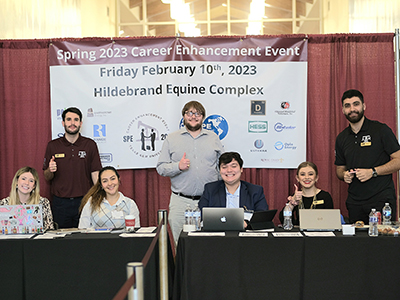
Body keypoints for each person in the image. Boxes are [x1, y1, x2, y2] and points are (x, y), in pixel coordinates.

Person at [156, 100, 224, 244]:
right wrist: (177, 167)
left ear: (203, 117)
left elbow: (222, 167)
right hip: (181, 202)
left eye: (197, 113)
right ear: (184, 116)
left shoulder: (213, 138)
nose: (194, 116)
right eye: (190, 113)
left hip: (210, 201)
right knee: (180, 244)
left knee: (210, 245)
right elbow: (161, 167)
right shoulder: (172, 138)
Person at [335, 89, 400, 224]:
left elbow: (398, 160)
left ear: (364, 106)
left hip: (381, 199)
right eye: (347, 106)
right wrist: (344, 175)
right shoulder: (341, 138)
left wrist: (373, 172)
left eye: (356, 104)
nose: (352, 109)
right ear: (343, 110)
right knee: (358, 245)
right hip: (355, 202)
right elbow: (339, 170)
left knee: (383, 243)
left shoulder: (381, 130)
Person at [43, 107, 102, 228]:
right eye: (69, 119)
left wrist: (99, 197)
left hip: (85, 201)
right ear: (63, 123)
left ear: (80, 123)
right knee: (61, 242)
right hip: (60, 203)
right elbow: (47, 176)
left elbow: (95, 173)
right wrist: (50, 170)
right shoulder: (53, 146)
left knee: (84, 240)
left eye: (76, 120)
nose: (72, 123)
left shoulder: (90, 145)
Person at [199, 152, 268, 213]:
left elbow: (261, 216)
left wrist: (247, 223)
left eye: (233, 166)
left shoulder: (255, 191)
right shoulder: (210, 189)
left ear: (241, 169)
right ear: (219, 171)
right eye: (224, 167)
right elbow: (201, 214)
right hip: (217, 227)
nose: (229, 170)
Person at [278, 161, 333, 225]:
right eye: (302, 174)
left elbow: (330, 220)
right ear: (297, 178)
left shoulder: (325, 196)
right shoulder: (296, 196)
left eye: (310, 174)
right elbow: (284, 220)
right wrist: (291, 204)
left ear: (316, 178)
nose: (307, 177)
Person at [0, 166, 54, 231]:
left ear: (34, 186)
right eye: (23, 179)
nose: (26, 183)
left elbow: (50, 230)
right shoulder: (3, 204)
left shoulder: (43, 203)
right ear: (17, 181)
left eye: (31, 181)